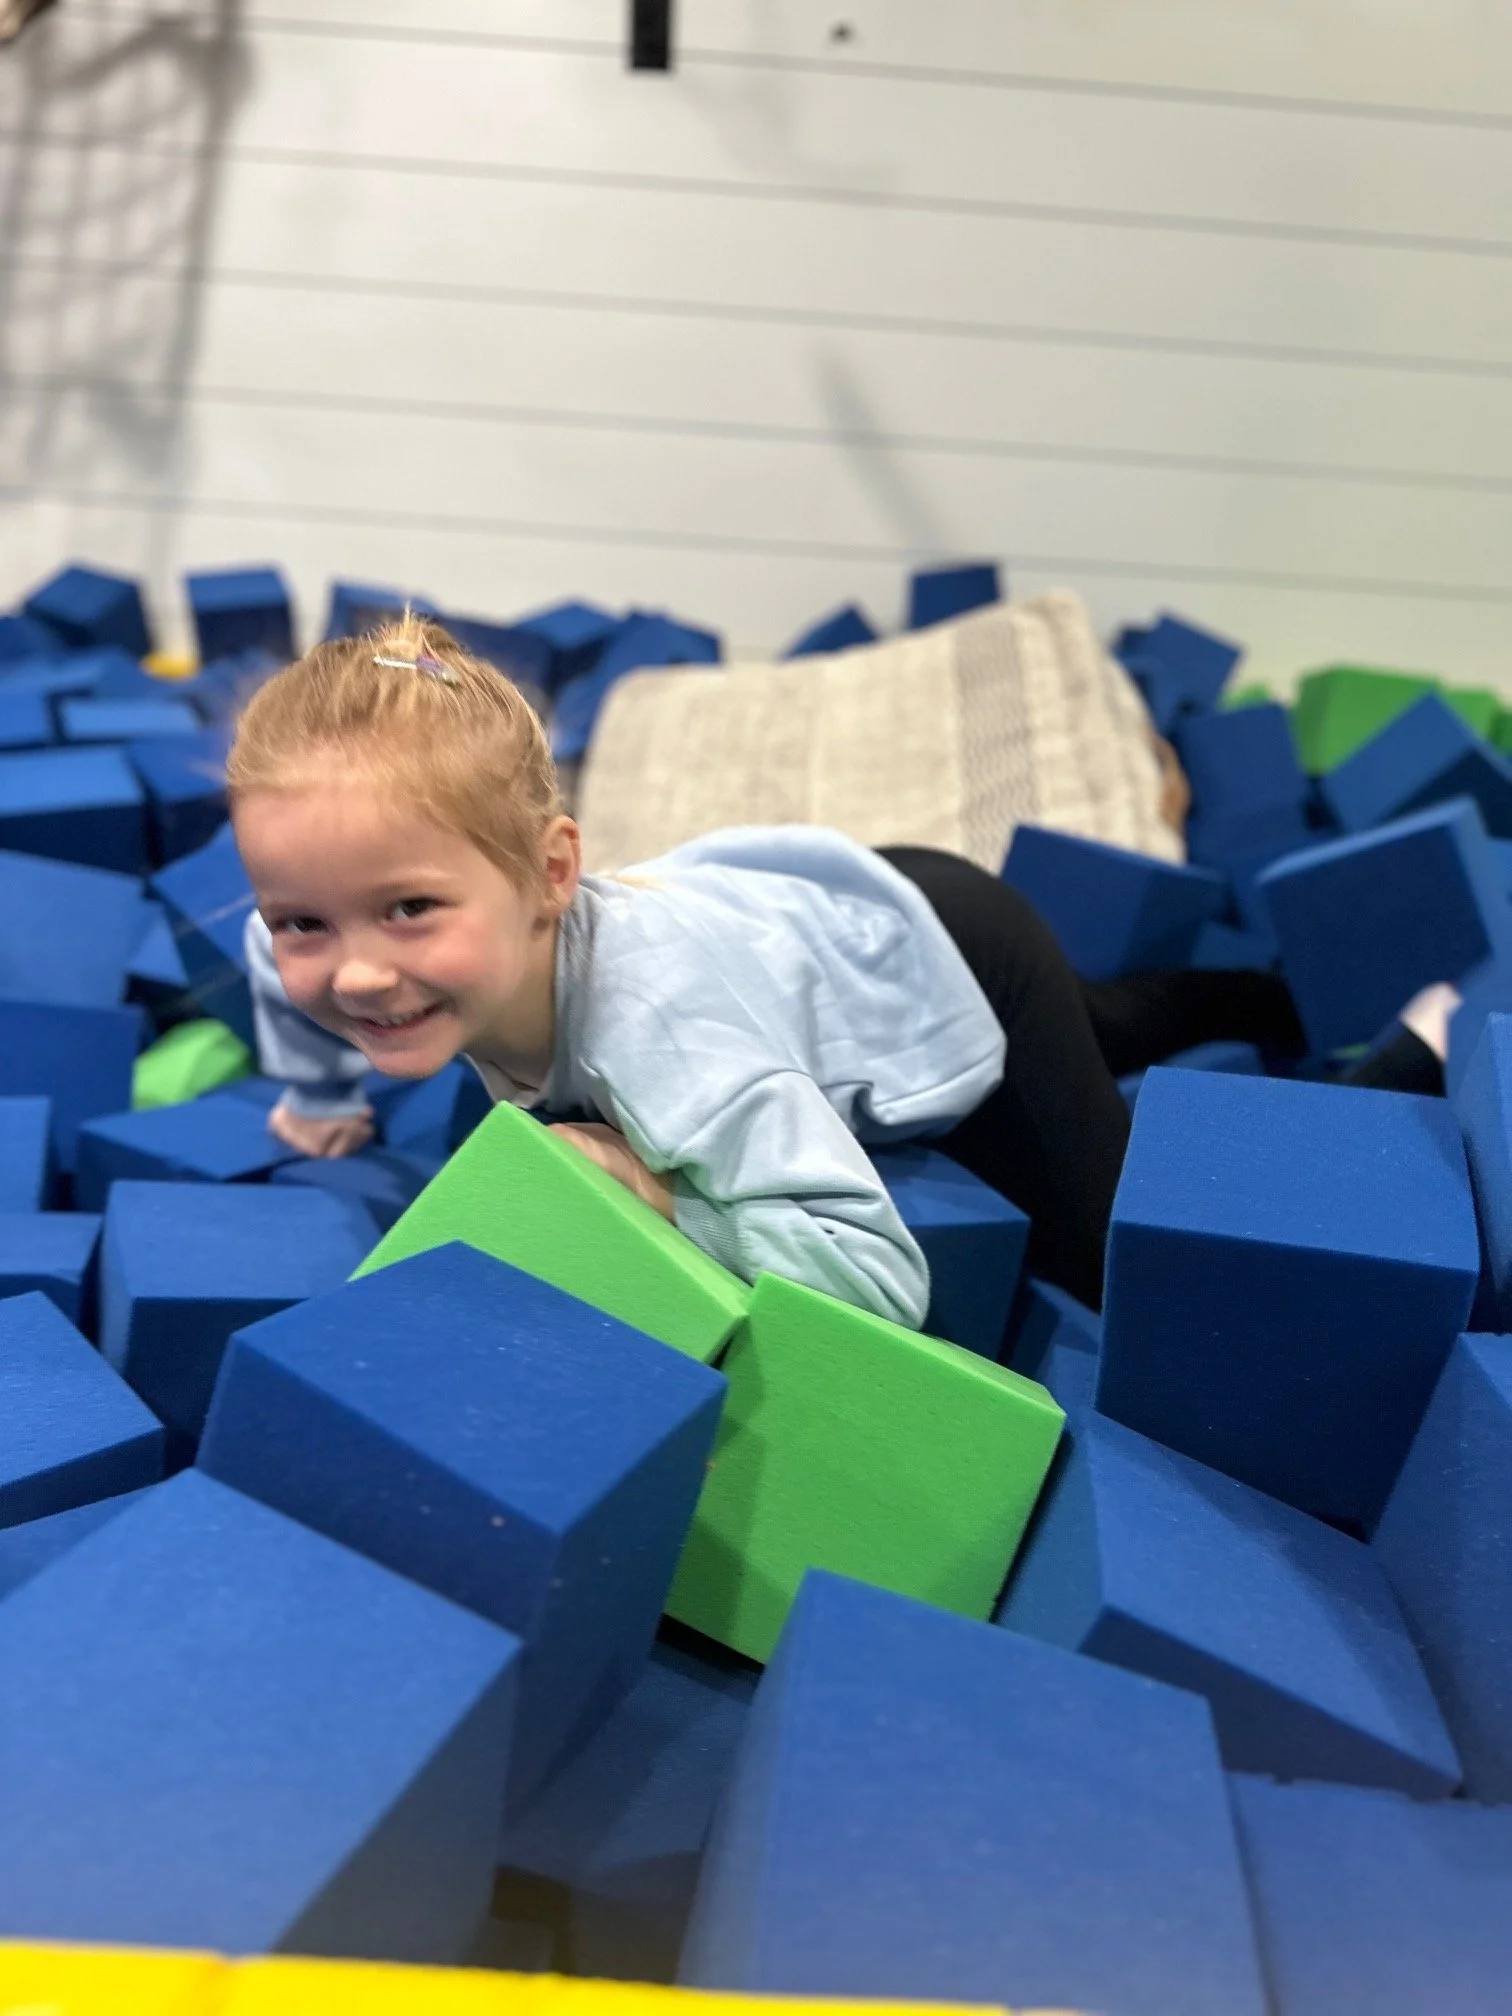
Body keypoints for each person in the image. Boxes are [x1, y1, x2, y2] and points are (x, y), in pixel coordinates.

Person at [230, 616, 1442, 1325]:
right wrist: (321, 1098)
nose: (359, 977)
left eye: (410, 911)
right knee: (1109, 1021)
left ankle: (1402, 1061)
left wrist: (664, 1199)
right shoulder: (320, 938)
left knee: (1135, 1267)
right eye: (307, 925)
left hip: (954, 957)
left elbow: (877, 1274)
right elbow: (272, 965)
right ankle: (1269, 990)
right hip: (833, 914)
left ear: (552, 875)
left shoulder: (665, 1038)